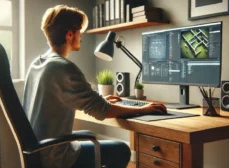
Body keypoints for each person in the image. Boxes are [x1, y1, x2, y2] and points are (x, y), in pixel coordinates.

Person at [23, 5, 167, 168]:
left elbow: (56, 102)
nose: (81, 37)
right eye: (80, 32)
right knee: (121, 150)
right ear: (70, 34)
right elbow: (102, 111)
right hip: (56, 158)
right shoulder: (63, 67)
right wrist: (143, 109)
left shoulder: (38, 63)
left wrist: (100, 100)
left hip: (36, 152)